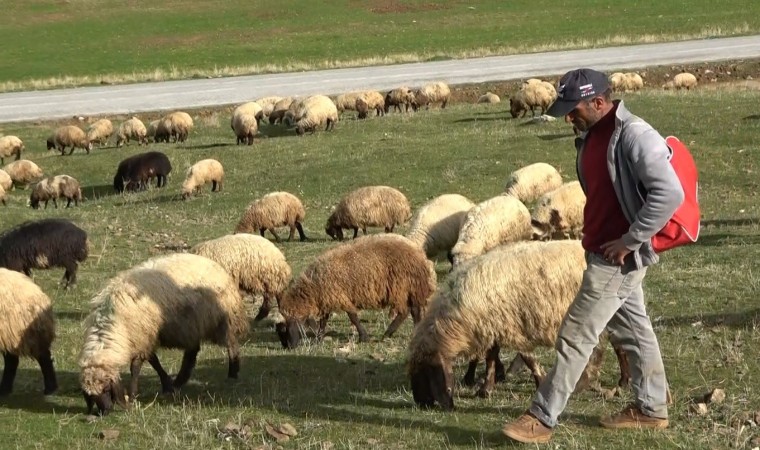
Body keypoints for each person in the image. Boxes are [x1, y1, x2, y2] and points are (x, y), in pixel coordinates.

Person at [502, 68, 684, 444]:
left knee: (575, 333)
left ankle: (542, 417)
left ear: (599, 102)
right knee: (633, 329)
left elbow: (670, 193)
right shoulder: (593, 135)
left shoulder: (633, 135)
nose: (568, 118)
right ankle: (651, 408)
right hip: (602, 249)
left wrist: (630, 240)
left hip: (616, 258)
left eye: (574, 110)